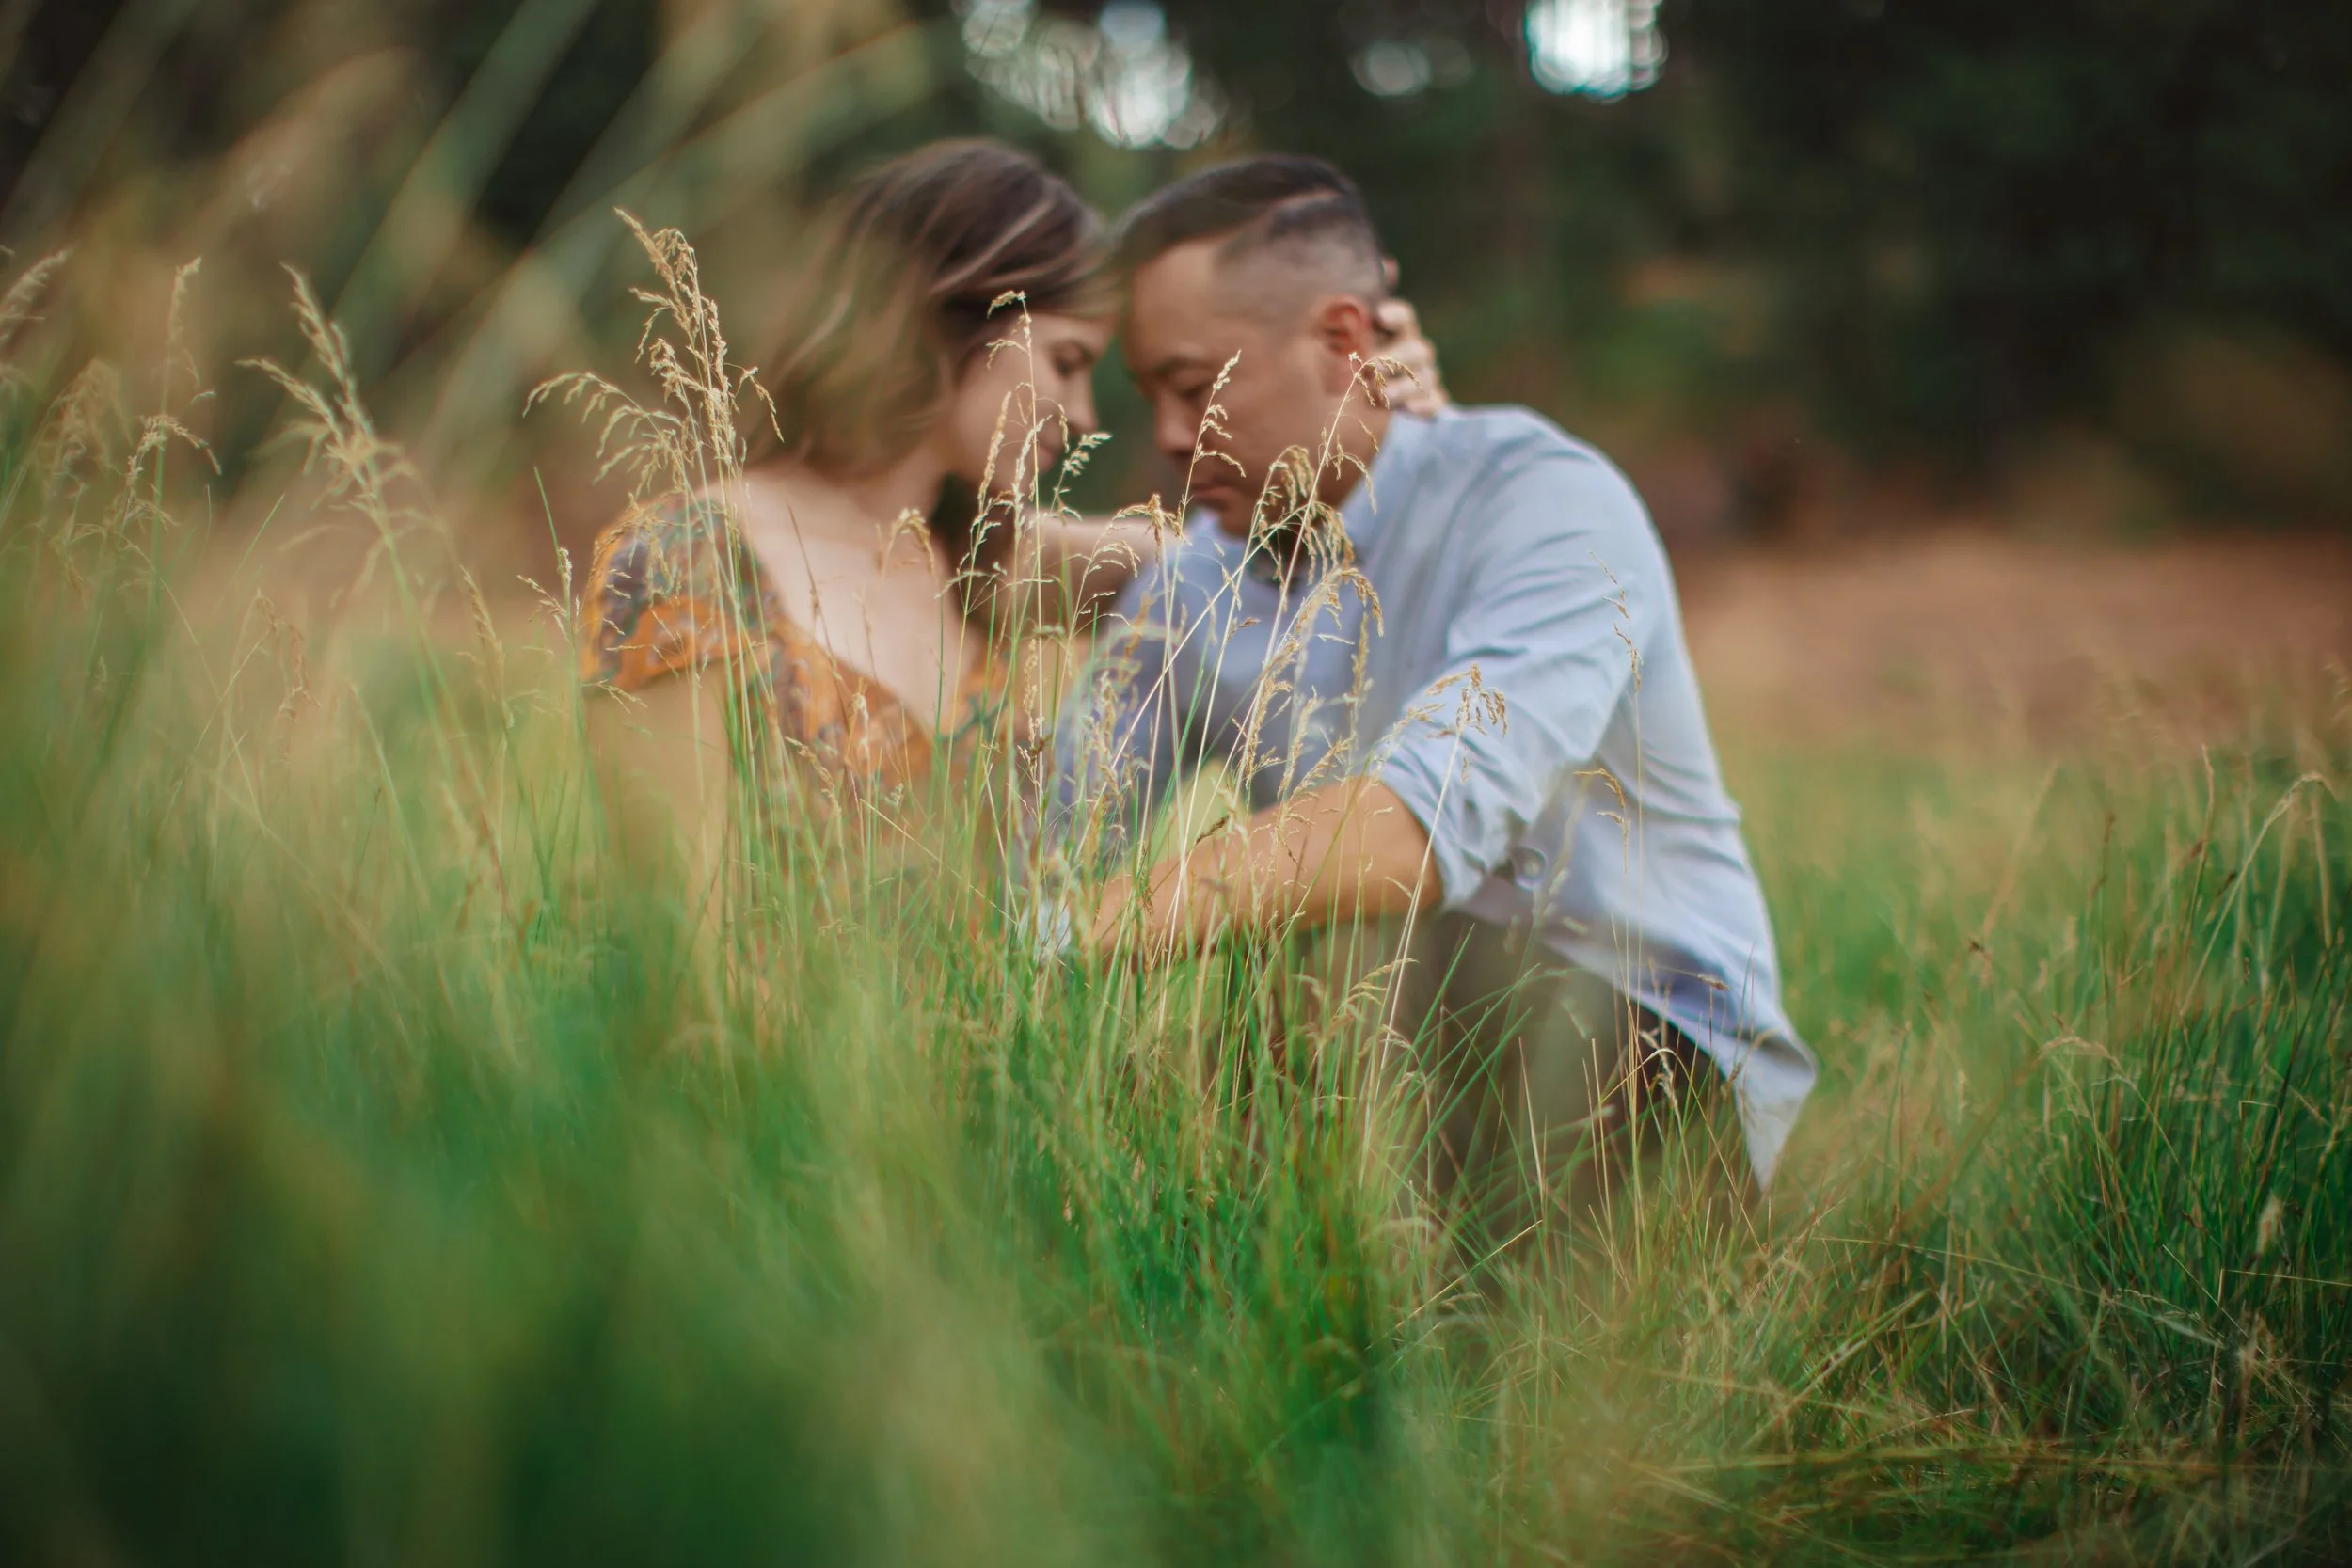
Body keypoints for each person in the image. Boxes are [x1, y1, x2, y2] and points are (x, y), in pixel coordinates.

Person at [1047, 155, 1814, 1235]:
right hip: (1379, 1037)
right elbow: (1055, 836)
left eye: (1196, 385)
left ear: (1342, 341)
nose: (1170, 437)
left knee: (1357, 981)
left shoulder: (1542, 498)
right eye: (1151, 398)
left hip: (1639, 1035)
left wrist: (1086, 929)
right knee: (1143, 1133)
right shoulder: (1189, 586)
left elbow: (1416, 827)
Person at [578, 140, 1446, 827]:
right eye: (1065, 362)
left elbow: (1276, 562)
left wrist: (1366, 399)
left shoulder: (990, 560)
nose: (1080, 414)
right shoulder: (689, 559)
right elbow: (675, 945)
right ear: (956, 307)